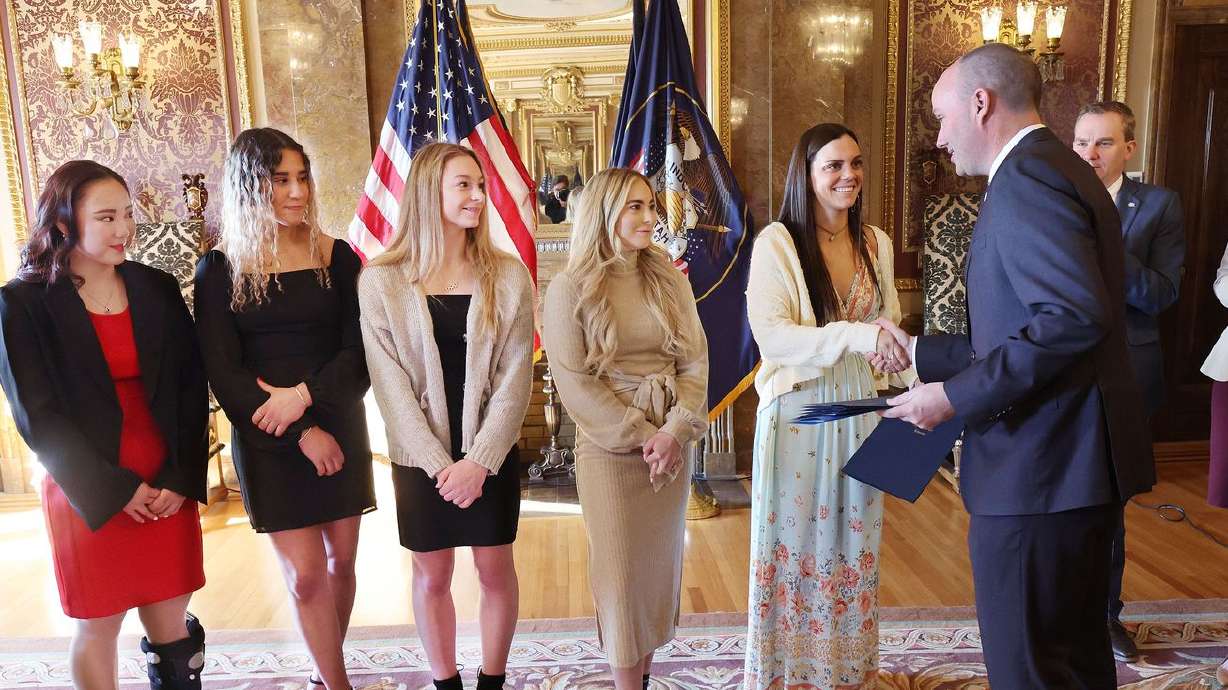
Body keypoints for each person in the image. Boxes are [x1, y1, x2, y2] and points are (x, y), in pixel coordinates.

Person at [878, 43, 1154, 688]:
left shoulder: (1026, 179)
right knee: (1074, 662)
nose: (940, 138)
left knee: (1031, 669)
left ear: (981, 103)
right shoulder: (1056, 166)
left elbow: (1071, 318)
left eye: (942, 117)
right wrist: (920, 352)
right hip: (1067, 468)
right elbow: (1025, 326)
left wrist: (954, 397)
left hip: (1041, 469)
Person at [0, 160, 209, 690]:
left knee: (172, 625)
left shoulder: (156, 287)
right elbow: (37, 417)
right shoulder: (22, 303)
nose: (124, 229)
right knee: (98, 624)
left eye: (128, 215)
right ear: (63, 223)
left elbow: (190, 387)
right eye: (107, 217)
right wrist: (114, 490)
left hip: (165, 478)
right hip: (86, 487)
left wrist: (181, 477)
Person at [194, 128, 374, 690]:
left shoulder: (337, 256)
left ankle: (324, 673)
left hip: (339, 418)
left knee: (342, 564)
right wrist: (300, 430)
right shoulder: (219, 269)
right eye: (280, 181)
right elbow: (224, 373)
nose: (297, 191)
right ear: (250, 186)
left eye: (302, 177)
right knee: (305, 576)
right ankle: (338, 684)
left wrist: (303, 398)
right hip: (268, 435)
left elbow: (359, 354)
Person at [357, 142, 534, 690]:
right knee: (431, 573)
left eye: (480, 185)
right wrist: (441, 467)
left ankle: (491, 683)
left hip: (491, 454)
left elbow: (515, 380)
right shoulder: (382, 280)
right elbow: (391, 390)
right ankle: (446, 683)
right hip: (421, 460)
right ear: (428, 191)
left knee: (495, 570)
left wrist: (479, 461)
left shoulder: (509, 276)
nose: (478, 196)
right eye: (464, 185)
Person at [742, 123, 912, 689]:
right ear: (807, 175)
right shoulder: (778, 242)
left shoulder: (876, 242)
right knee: (796, 546)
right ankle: (789, 676)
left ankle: (847, 672)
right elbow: (774, 339)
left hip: (862, 407)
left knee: (854, 540)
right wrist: (861, 336)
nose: (848, 175)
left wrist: (899, 368)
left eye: (855, 163)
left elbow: (888, 323)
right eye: (833, 166)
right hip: (801, 412)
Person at [541, 167, 708, 690]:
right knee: (620, 584)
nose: (650, 216)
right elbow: (575, 384)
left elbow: (695, 361)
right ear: (604, 213)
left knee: (655, 578)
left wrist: (675, 430)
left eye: (651, 205)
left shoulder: (670, 278)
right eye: (636, 206)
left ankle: (645, 678)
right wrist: (643, 434)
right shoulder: (569, 288)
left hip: (670, 446)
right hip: (611, 451)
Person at [1073, 99, 1186, 663]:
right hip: (1058, 370)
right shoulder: (1052, 198)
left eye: (1103, 143)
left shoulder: (1159, 205)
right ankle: (1052, 612)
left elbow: (1162, 293)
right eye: (1081, 143)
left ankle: (1104, 616)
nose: (1090, 154)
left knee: (1107, 501)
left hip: (1126, 373)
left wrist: (1109, 243)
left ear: (1129, 149)